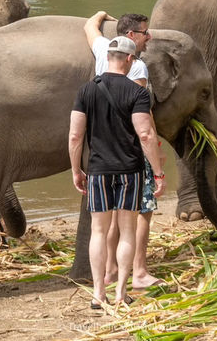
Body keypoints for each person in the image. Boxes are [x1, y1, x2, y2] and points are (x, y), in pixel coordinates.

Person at [68, 36, 166, 308]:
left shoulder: (86, 91)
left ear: (109, 57)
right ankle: (121, 292)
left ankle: (99, 294)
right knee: (126, 230)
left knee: (98, 231)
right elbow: (145, 134)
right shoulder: (138, 93)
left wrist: (77, 170)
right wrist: (157, 172)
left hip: (98, 171)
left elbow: (75, 136)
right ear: (130, 60)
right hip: (129, 171)